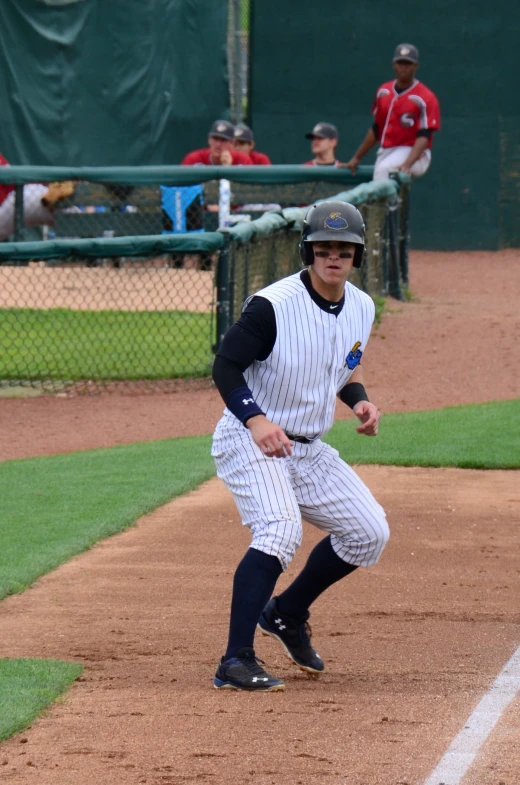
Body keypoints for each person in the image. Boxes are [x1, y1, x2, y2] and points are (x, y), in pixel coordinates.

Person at [211, 200, 389, 691]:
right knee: (279, 530)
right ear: (308, 250)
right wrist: (256, 419)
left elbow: (343, 366)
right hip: (250, 439)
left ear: (356, 255)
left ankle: (287, 612)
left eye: (344, 250)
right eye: (324, 248)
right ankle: (235, 660)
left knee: (368, 532)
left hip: (307, 449)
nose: (334, 257)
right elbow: (225, 366)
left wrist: (360, 402)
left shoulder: (361, 306)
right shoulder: (273, 305)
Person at [342, 44, 441, 180]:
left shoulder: (426, 97)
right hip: (387, 151)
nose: (403, 67)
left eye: (408, 63)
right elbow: (376, 129)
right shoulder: (384, 91)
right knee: (381, 181)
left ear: (415, 66)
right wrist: (356, 158)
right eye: (400, 63)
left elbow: (424, 136)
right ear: (394, 64)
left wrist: (407, 164)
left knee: (385, 171)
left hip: (416, 153)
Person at [0, 153, 55, 241]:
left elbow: (12, 177)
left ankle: (77, 209)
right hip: (17, 198)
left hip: (19, 196)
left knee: (61, 206)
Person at [181, 120, 252, 166]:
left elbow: (252, 187)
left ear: (232, 143)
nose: (218, 144)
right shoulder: (194, 159)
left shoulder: (242, 160)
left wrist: (229, 170)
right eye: (215, 139)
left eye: (223, 140)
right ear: (209, 140)